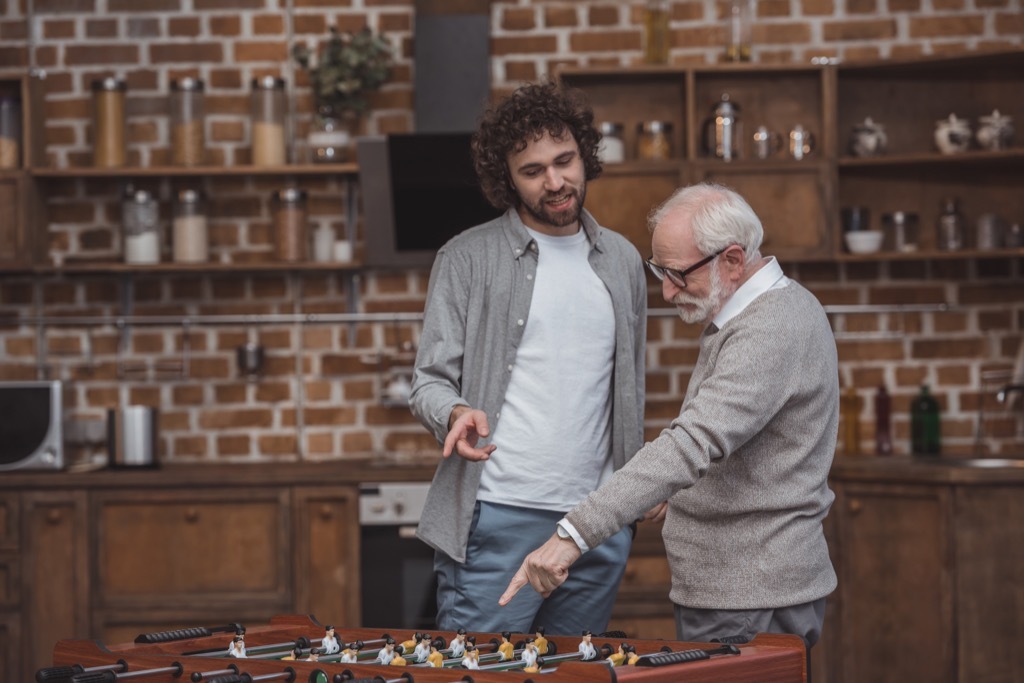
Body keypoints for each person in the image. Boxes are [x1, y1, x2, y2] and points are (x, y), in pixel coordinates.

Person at [500, 182, 839, 664]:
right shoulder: (764, 312)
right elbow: (745, 444)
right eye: (659, 271)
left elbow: (693, 442)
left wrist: (571, 536)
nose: (665, 290)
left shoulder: (770, 328)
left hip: (749, 596)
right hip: (740, 592)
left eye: (678, 274)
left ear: (734, 260)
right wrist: (676, 490)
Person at [409, 79, 647, 636]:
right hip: (496, 516)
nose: (556, 181)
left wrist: (633, 492)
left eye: (564, 161)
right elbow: (428, 382)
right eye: (533, 171)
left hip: (595, 522)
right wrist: (454, 412)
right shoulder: (466, 258)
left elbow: (630, 385)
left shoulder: (622, 261)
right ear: (507, 180)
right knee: (481, 675)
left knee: (572, 675)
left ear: (584, 156)